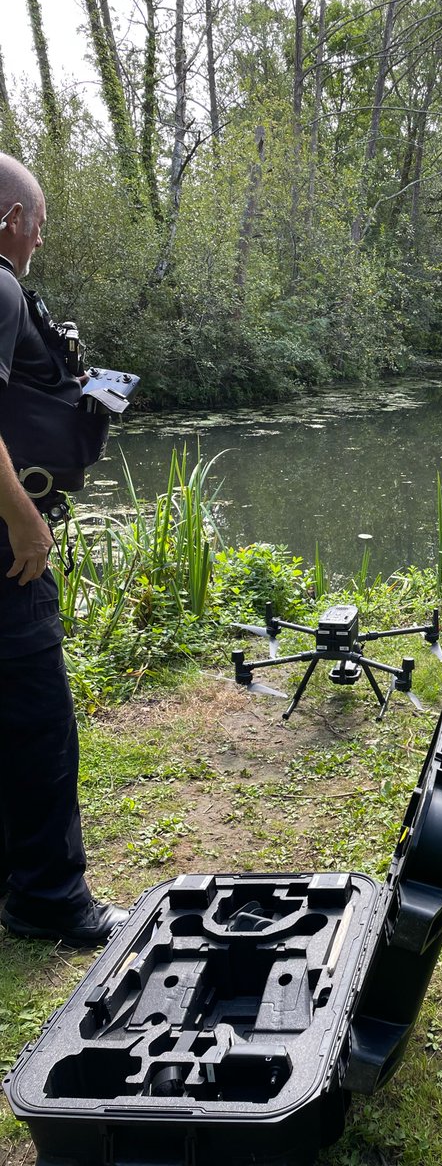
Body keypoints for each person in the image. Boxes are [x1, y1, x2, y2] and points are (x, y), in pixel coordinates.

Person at [0, 152, 128, 948]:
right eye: (38, 231)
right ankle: (49, 899)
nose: (37, 244)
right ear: (13, 220)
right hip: (4, 552)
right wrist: (24, 521)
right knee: (38, 716)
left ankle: (15, 881)